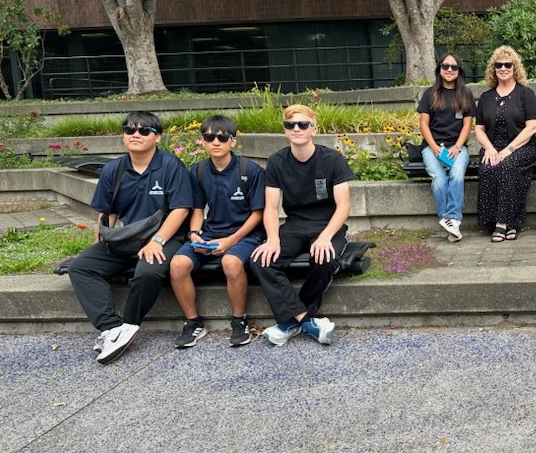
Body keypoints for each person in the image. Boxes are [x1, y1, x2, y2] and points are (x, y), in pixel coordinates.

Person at [68, 111, 193, 364]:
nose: (135, 135)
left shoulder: (170, 165)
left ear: (157, 137)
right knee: (81, 267)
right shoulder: (113, 170)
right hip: (126, 238)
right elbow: (107, 213)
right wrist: (99, 246)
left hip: (167, 238)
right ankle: (112, 328)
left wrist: (157, 241)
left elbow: (181, 209)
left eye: (144, 131)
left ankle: (128, 325)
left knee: (147, 272)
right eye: (130, 130)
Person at [250, 104, 354, 347]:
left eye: (302, 124)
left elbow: (344, 206)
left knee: (325, 258)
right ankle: (306, 321)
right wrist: (272, 239)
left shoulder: (332, 159)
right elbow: (271, 208)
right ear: (285, 131)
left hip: (328, 224)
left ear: (313, 129)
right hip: (295, 224)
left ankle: (290, 323)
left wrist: (326, 236)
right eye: (290, 125)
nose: (296, 129)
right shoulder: (277, 162)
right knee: (260, 260)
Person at [168, 115, 266, 348]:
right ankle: (193, 323)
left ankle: (239, 321)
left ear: (233, 141)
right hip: (211, 233)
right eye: (210, 137)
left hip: (246, 233)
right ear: (202, 141)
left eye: (222, 137)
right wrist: (194, 234)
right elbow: (198, 209)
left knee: (231, 263)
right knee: (177, 264)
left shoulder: (249, 170)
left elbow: (258, 214)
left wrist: (230, 241)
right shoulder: (199, 170)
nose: (216, 142)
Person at [474, 45, 536, 242]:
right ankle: (501, 221)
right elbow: (479, 129)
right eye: (498, 65)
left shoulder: (525, 94)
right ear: (493, 69)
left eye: (507, 65)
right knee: (487, 167)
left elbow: (532, 127)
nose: (503, 68)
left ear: (515, 68)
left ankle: (502, 224)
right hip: (493, 145)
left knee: (507, 166)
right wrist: (491, 148)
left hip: (522, 146)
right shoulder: (486, 97)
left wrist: (509, 149)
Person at [417, 52, 475, 242]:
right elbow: (424, 124)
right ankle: (448, 220)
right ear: (439, 69)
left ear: (459, 71)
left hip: (456, 147)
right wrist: (434, 147)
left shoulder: (465, 94)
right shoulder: (430, 93)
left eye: (454, 67)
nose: (449, 70)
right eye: (445, 66)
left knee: (457, 174)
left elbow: (467, 124)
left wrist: (458, 147)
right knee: (439, 179)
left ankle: (452, 220)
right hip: (432, 147)